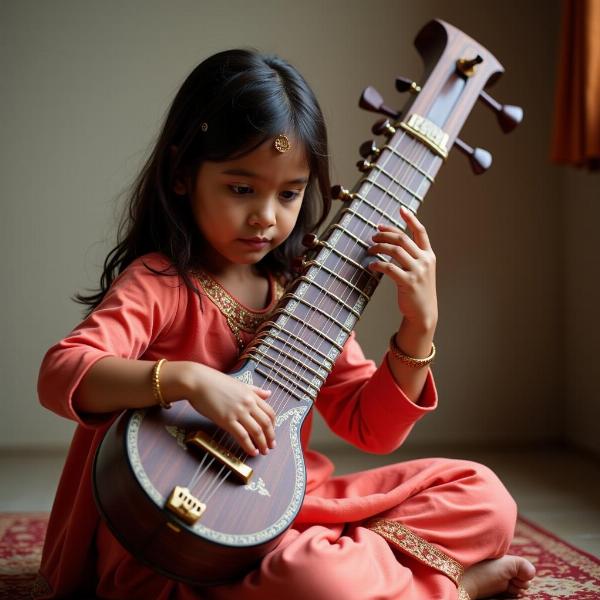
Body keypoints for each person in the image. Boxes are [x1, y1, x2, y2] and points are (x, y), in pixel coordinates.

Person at [36, 49, 535, 600]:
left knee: (485, 498)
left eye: (290, 193)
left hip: (282, 506)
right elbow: (62, 373)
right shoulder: (161, 281)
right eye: (241, 188)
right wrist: (185, 380)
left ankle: (357, 575)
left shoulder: (303, 291)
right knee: (317, 579)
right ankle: (440, 589)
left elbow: (370, 427)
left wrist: (420, 324)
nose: (266, 216)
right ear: (182, 176)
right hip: (166, 531)